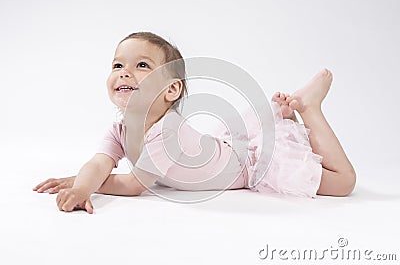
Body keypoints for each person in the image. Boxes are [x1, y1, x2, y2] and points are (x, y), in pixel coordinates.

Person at [33, 32, 356, 213]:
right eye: (118, 64)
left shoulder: (166, 132)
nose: (124, 72)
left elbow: (132, 185)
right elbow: (99, 162)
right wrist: (83, 180)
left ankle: (311, 108)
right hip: (223, 148)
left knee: (343, 183)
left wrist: (84, 185)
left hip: (252, 165)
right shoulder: (119, 130)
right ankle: (287, 111)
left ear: (171, 90)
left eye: (142, 65)